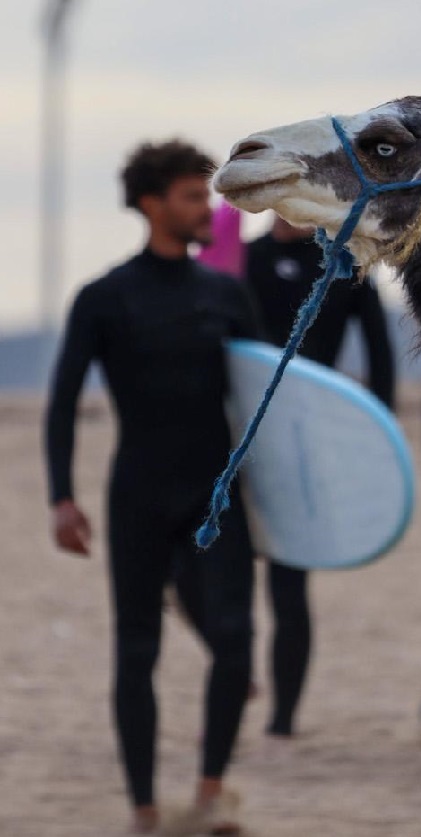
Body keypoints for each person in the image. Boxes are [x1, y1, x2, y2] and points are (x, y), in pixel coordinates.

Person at [45, 140, 259, 834]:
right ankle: (142, 808)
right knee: (137, 649)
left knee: (233, 639)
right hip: (137, 492)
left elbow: (265, 404)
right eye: (194, 196)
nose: (207, 208)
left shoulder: (226, 295)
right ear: (152, 203)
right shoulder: (104, 298)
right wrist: (61, 496)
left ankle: (208, 794)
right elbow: (63, 402)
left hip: (215, 495)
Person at [244, 215, 395, 738]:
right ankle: (236, 678)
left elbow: (380, 357)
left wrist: (377, 444)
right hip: (235, 441)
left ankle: (283, 718)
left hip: (306, 446)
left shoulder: (344, 265)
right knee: (224, 578)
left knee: (288, 583)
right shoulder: (244, 261)